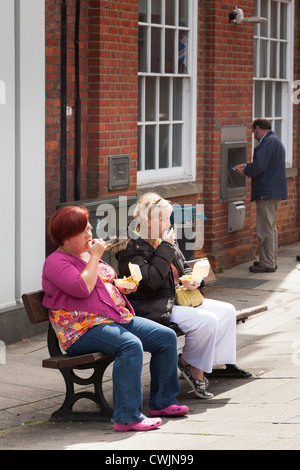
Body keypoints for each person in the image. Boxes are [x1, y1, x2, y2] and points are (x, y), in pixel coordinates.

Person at [42, 205, 188, 432]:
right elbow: (82, 288)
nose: (90, 235)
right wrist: (95, 256)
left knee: (166, 337)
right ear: (67, 236)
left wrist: (121, 286)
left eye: (89, 228)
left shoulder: (87, 255)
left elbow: (104, 281)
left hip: (113, 318)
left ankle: (163, 401)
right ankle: (127, 417)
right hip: (82, 331)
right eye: (84, 231)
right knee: (130, 345)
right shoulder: (56, 262)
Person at [112, 193, 250, 400]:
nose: (169, 223)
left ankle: (198, 362)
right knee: (206, 321)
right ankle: (194, 369)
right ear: (148, 221)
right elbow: (150, 282)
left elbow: (184, 268)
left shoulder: (165, 239)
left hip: (175, 300)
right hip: (152, 306)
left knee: (227, 311)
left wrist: (194, 280)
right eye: (164, 218)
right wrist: (166, 247)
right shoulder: (132, 248)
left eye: (169, 218)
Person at [234, 119, 288, 273]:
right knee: (270, 228)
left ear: (258, 128)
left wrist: (245, 170)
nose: (254, 136)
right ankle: (270, 260)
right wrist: (246, 166)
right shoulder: (275, 141)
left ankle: (267, 263)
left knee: (264, 229)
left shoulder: (267, 143)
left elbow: (260, 167)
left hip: (267, 192)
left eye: (254, 132)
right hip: (274, 191)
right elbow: (265, 165)